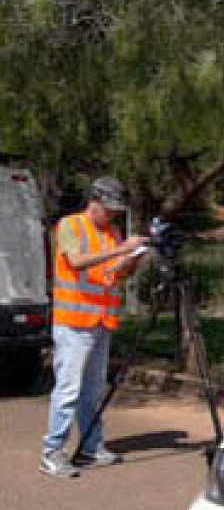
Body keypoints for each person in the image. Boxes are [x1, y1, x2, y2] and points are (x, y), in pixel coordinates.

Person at [41, 177, 149, 478]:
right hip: (74, 323)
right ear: (94, 202)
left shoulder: (112, 232)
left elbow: (116, 272)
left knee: (92, 391)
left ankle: (91, 445)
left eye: (116, 211)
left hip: (101, 321)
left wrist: (133, 259)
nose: (113, 215)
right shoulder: (70, 225)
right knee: (68, 390)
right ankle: (52, 452)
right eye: (109, 209)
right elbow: (76, 262)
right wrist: (120, 250)